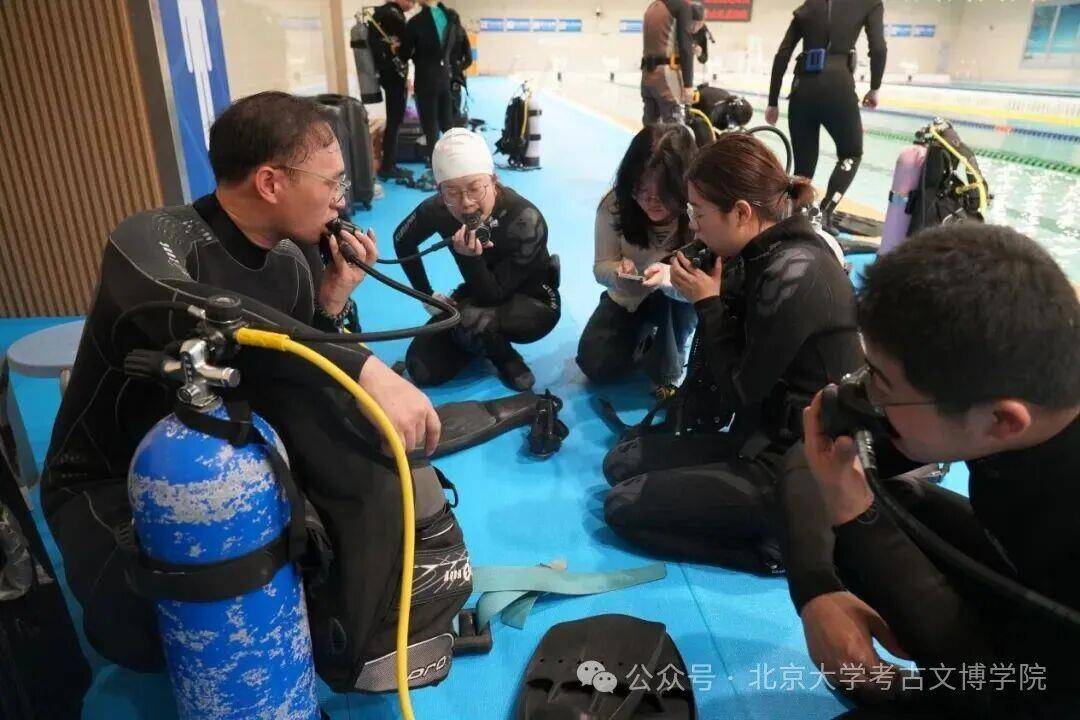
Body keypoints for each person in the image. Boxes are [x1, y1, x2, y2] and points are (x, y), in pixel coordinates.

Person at [40, 92, 442, 671]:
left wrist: (331, 303)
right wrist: (367, 367)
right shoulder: (150, 241)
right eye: (331, 181)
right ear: (270, 183)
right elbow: (193, 306)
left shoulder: (294, 260)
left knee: (348, 527)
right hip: (108, 477)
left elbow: (292, 371)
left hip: (236, 455)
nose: (341, 198)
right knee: (154, 636)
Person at [784, 225, 1080, 718]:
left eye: (882, 385)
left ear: (1001, 421)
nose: (866, 396)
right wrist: (818, 591)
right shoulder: (1015, 385)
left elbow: (1010, 701)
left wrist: (856, 517)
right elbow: (812, 452)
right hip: (1029, 592)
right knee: (891, 500)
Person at [603, 132, 863, 573]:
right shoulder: (758, 253)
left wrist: (709, 304)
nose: (693, 226)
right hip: (759, 437)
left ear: (741, 212)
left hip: (802, 466)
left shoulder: (793, 273)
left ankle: (777, 550)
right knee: (620, 463)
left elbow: (740, 392)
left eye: (699, 213)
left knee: (621, 506)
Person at [393, 128, 560, 391]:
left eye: (475, 188)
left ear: (493, 180)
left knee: (473, 320)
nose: (467, 203)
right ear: (440, 191)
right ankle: (478, 340)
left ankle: (504, 357)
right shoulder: (438, 209)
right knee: (422, 368)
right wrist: (427, 295)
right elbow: (402, 240)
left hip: (532, 298)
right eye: (452, 193)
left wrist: (469, 259)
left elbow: (494, 295)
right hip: (478, 289)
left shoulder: (525, 221)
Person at [576, 124, 698, 399]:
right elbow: (601, 266)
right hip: (628, 297)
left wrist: (669, 279)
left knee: (674, 305)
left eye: (663, 193)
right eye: (641, 190)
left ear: (682, 187)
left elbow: (707, 287)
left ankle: (668, 366)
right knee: (596, 364)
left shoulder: (698, 213)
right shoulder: (615, 204)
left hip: (677, 302)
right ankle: (645, 341)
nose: (651, 202)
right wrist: (616, 273)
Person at [765, 0, 886, 233]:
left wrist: (772, 101)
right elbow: (878, 48)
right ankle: (825, 212)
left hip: (803, 88)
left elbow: (783, 54)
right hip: (839, 86)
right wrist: (874, 87)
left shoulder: (808, 6)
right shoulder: (869, 3)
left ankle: (796, 218)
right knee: (851, 153)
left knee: (803, 168)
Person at [406, 0, 472, 164]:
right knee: (449, 124)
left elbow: (405, 53)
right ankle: (453, 162)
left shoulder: (415, 22)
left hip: (426, 79)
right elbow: (466, 57)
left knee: (430, 127)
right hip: (447, 79)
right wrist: (454, 69)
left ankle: (435, 163)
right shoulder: (451, 20)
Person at [370, 0, 416, 181]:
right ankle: (388, 166)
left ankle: (390, 163)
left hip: (388, 74)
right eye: (411, 1)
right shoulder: (392, 15)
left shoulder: (382, 13)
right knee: (395, 121)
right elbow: (408, 42)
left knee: (394, 121)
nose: (412, 4)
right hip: (393, 76)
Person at [641, 0, 705, 125]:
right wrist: (688, 85)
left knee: (651, 128)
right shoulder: (682, 7)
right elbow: (685, 47)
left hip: (647, 76)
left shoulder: (652, 8)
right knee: (674, 129)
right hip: (666, 79)